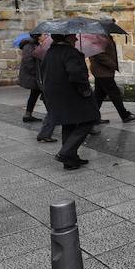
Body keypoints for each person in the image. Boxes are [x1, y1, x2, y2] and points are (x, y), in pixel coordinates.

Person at [40, 34, 101, 170]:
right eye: (73, 36)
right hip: (71, 94)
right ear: (66, 38)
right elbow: (75, 73)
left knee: (69, 123)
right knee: (90, 119)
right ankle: (65, 153)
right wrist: (85, 89)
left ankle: (70, 159)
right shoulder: (70, 52)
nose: (76, 39)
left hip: (55, 94)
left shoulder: (50, 52)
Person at [90, 29, 135, 124]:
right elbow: (99, 54)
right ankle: (125, 115)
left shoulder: (105, 36)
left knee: (99, 95)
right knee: (115, 94)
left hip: (103, 72)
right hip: (103, 73)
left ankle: (92, 118)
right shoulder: (99, 38)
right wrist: (112, 64)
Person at [17, 34, 42, 122]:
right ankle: (53, 115)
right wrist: (35, 72)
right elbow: (28, 60)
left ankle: (28, 114)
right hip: (32, 75)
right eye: (40, 35)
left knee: (35, 93)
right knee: (42, 93)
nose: (41, 36)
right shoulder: (29, 45)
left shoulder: (34, 44)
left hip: (34, 75)